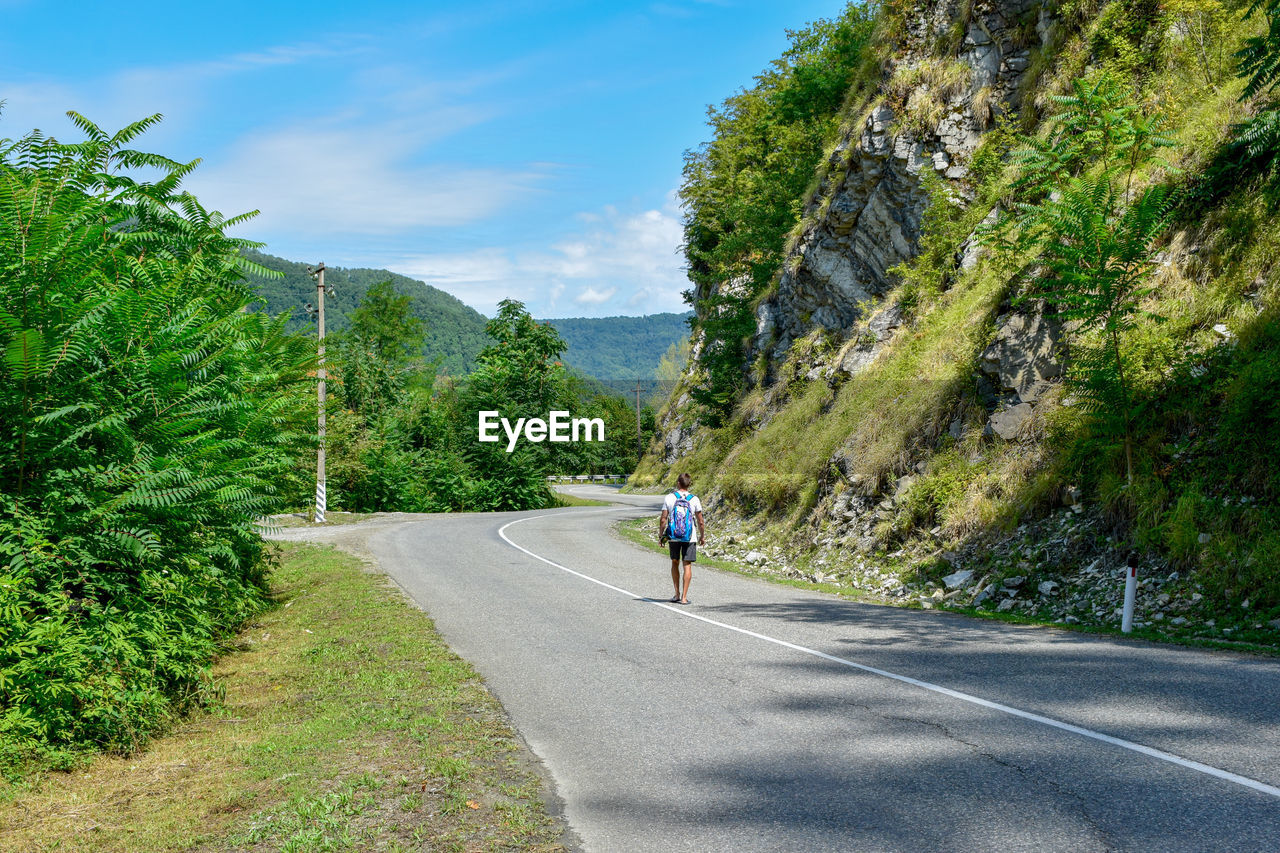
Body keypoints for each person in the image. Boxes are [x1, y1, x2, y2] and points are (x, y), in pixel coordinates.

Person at [658, 472, 705, 605]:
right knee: (687, 565)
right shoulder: (694, 499)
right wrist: (702, 536)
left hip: (673, 536)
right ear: (689, 484)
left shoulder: (669, 498)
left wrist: (661, 536)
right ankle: (684, 598)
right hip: (690, 537)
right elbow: (700, 521)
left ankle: (676, 594)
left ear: (678, 483)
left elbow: (663, 519)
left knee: (674, 562)